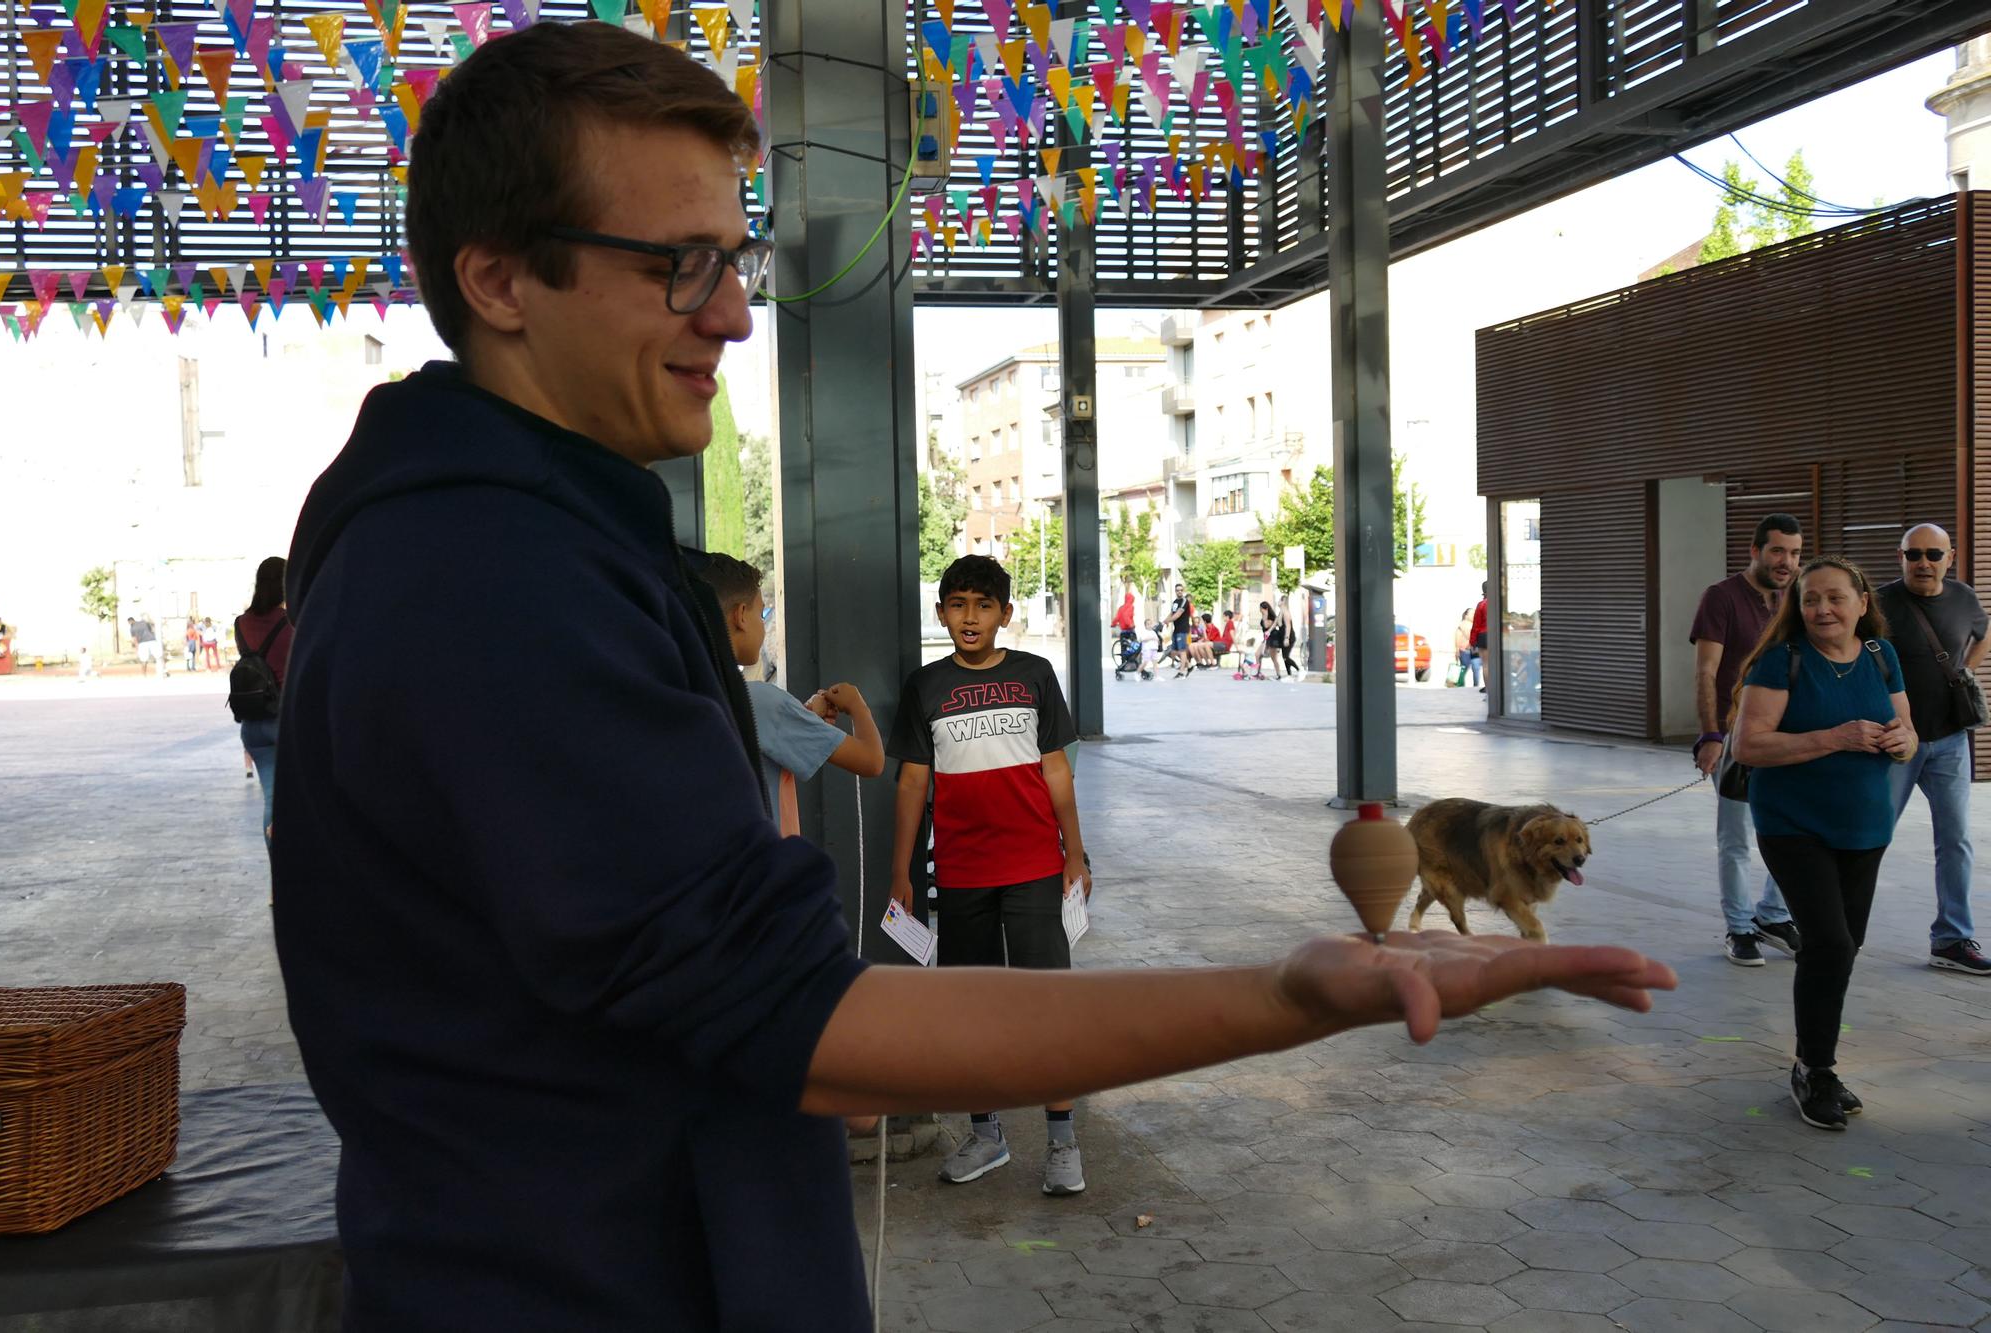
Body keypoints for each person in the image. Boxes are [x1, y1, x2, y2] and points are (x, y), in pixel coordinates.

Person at [269, 23, 1675, 1330]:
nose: (736, 318)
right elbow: (808, 1031)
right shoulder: (490, 580)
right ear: (500, 275)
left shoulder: (525, 536)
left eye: (735, 258)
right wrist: (1295, 995)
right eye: (676, 266)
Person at [889, 555, 1091, 1195]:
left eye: (982, 605)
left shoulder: (1035, 675)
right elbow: (913, 783)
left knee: (1047, 1007)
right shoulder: (925, 687)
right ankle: (986, 1135)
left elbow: (1056, 768)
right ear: (940, 612)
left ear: (1006, 614)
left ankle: (1062, 1141)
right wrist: (903, 871)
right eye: (957, 605)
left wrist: (1075, 853)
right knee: (972, 1007)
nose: (969, 617)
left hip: (1034, 868)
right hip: (961, 875)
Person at [1731, 557, 1914, 1130]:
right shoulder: (1780, 661)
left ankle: (1815, 1061)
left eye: (1836, 598)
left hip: (1866, 827)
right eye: (1811, 600)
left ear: (1863, 602)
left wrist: (1903, 741)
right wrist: (1834, 738)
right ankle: (1816, 1070)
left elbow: (1906, 728)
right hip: (1793, 825)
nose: (1822, 610)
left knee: (1842, 946)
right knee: (1830, 944)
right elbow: (1749, 747)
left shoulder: (1883, 657)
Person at [1690, 513, 1805, 967]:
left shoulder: (1795, 599)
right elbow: (1705, 672)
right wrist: (1711, 734)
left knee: (1793, 833)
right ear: (1755, 551)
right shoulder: (1721, 598)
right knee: (1736, 838)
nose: (1787, 562)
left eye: (1795, 553)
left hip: (1788, 739)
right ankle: (1739, 928)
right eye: (1778, 551)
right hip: (1735, 739)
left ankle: (1774, 916)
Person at [701, 551, 885, 835]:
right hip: (764, 869)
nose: (763, 624)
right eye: (761, 612)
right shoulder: (761, 702)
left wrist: (802, 715)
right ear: (740, 616)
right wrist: (858, 706)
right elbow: (871, 761)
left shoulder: (688, 696)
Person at [1876, 524, 1990, 977]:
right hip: (1894, 744)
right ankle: (1805, 918)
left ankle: (1952, 939)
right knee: (1862, 834)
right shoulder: (1879, 603)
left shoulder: (1965, 598)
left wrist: (1963, 672)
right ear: (1900, 556)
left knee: (1956, 841)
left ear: (1951, 557)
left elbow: (1983, 633)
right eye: (1914, 554)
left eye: (1933, 554)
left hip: (1949, 741)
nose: (1923, 562)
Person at [234, 557, 291, 845]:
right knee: (295, 803)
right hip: (282, 722)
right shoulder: (290, 624)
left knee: (272, 800)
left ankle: (276, 880)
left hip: (252, 725)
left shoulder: (241, 623)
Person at [1163, 582, 1195, 677]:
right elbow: (1172, 613)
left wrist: (1168, 620)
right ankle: (1189, 666)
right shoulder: (1175, 602)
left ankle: (1181, 672)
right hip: (1176, 630)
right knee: (1174, 651)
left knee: (1182, 651)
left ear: (1183, 591)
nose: (1179, 592)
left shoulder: (1185, 601)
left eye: (1181, 590)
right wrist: (1165, 621)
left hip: (1183, 630)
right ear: (1175, 591)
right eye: (1177, 590)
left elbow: (1178, 614)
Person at [1255, 601, 1284, 681]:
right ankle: (1258, 672)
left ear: (1266, 608)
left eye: (1261, 608)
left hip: (1273, 638)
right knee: (1257, 654)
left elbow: (1266, 626)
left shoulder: (1271, 617)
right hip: (1266, 638)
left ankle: (1278, 674)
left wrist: (1265, 616)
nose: (1260, 610)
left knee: (1273, 658)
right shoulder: (1264, 616)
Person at [1469, 586, 1489, 693]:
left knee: (1486, 664)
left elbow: (1476, 625)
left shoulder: (1482, 604)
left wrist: (1472, 641)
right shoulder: (1500, 603)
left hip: (1483, 636)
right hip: (1498, 635)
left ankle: (1488, 689)